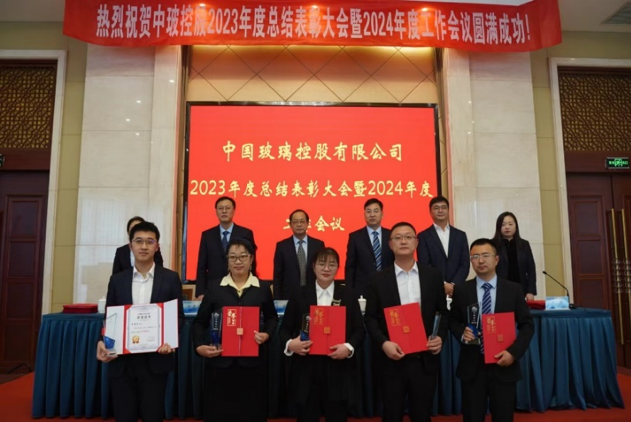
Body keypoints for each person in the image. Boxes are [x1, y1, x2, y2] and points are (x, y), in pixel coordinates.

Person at [96, 221, 184, 422]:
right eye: (139, 241)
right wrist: (101, 341)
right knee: (124, 415)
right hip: (122, 361)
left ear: (157, 246)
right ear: (131, 246)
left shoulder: (170, 278)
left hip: (156, 359)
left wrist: (169, 340)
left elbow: (177, 316)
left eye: (149, 241)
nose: (144, 246)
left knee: (153, 415)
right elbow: (110, 317)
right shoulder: (117, 280)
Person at [364, 222, 448, 422]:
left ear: (416, 243)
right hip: (392, 359)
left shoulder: (433, 275)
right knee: (391, 415)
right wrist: (384, 343)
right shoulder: (378, 279)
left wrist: (439, 337)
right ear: (390, 244)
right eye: (398, 237)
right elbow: (370, 318)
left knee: (422, 415)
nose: (403, 241)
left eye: (408, 237)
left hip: (424, 359)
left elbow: (443, 313)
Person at [192, 238, 278, 422]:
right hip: (220, 363)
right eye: (233, 257)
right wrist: (199, 346)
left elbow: (272, 318)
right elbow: (200, 322)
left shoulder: (262, 288)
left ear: (251, 259)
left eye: (243, 257)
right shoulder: (215, 287)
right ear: (227, 260)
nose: (238, 261)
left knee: (251, 412)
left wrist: (267, 334)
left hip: (253, 364)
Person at [449, 238, 534, 422]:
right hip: (473, 365)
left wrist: (513, 353)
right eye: (475, 256)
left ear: (496, 259)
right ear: (471, 261)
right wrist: (462, 333)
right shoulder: (462, 290)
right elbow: (453, 320)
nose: (480, 260)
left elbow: (527, 324)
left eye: (486, 255)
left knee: (503, 416)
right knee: (472, 416)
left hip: (504, 363)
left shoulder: (513, 289)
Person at [280, 247, 365, 422]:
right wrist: (290, 344)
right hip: (306, 368)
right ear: (313, 266)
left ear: (338, 268)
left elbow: (359, 330)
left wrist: (348, 348)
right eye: (321, 264)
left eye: (332, 264)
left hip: (338, 368)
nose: (326, 268)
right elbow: (285, 329)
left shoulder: (348, 294)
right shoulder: (299, 294)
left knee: (337, 416)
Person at [196, 196, 256, 299]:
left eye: (227, 208)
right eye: (220, 208)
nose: (224, 211)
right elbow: (201, 266)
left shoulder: (245, 233)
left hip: (239, 287)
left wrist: (252, 288)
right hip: (214, 287)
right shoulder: (207, 235)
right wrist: (201, 292)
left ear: (234, 210)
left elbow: (252, 263)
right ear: (216, 211)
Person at [416, 196, 470, 296]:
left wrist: (453, 284)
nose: (440, 210)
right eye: (436, 208)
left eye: (443, 207)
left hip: (457, 289)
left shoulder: (460, 235)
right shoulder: (423, 236)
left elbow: (465, 263)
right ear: (430, 212)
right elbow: (424, 264)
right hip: (434, 289)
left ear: (448, 210)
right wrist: (443, 284)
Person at [344, 198, 394, 298]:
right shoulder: (355, 237)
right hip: (363, 289)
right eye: (368, 211)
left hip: (388, 287)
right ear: (364, 215)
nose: (372, 214)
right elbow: (350, 266)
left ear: (382, 214)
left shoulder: (391, 235)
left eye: (376, 211)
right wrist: (349, 291)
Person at [273, 209, 325, 300]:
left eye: (302, 221)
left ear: (308, 223)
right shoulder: (282, 246)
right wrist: (278, 300)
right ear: (290, 225)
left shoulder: (318, 245)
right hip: (289, 296)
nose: (299, 225)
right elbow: (278, 276)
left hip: (313, 294)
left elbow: (322, 272)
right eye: (295, 222)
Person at [492, 212, 537, 300]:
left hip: (520, 289)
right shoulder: (492, 244)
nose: (507, 227)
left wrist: (530, 291)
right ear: (498, 227)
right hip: (499, 289)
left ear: (516, 227)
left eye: (510, 224)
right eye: (503, 224)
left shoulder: (524, 244)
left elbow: (531, 269)